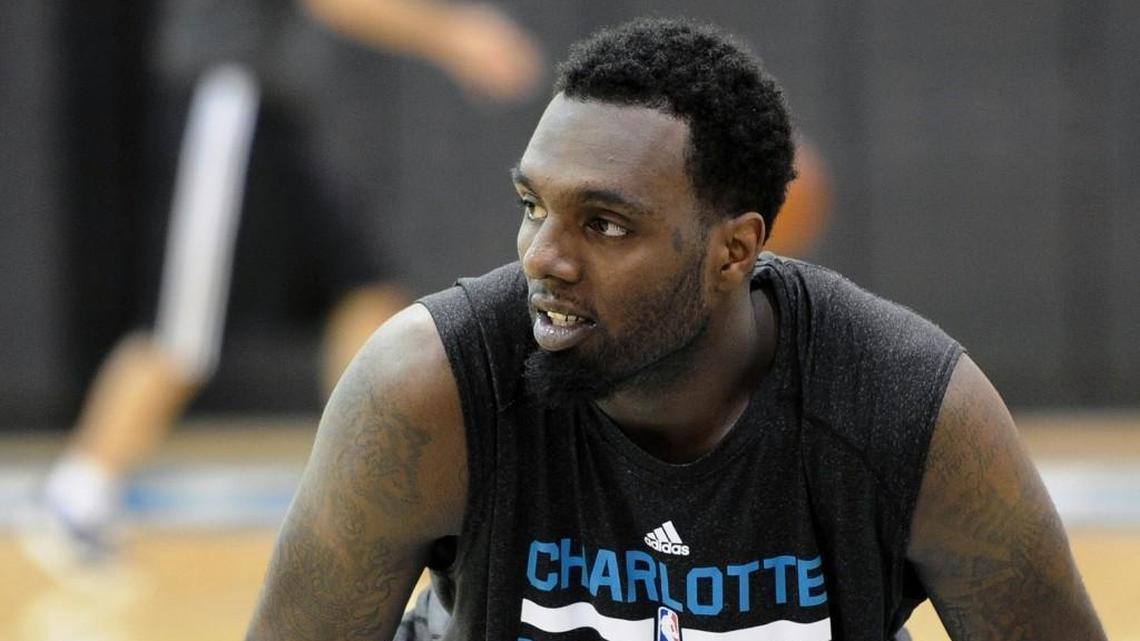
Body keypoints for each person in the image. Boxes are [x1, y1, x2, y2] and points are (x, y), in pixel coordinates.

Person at [246, 18, 1106, 641]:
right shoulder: (429, 386)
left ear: (735, 251)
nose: (545, 256)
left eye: (606, 224)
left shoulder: (907, 409)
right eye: (532, 206)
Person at [24, 0, 542, 571]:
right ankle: (80, 493)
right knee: (182, 332)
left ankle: (360, 496)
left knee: (365, 295)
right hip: (225, 101)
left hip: (268, 109)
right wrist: (456, 35)